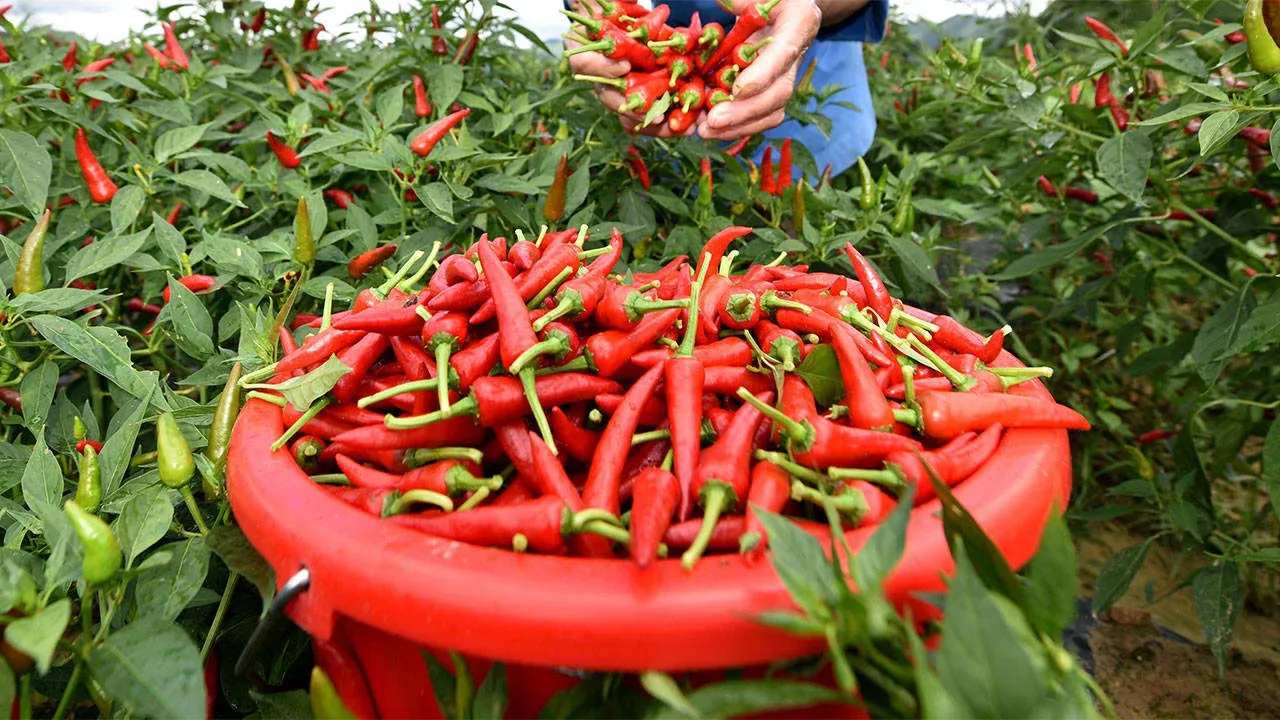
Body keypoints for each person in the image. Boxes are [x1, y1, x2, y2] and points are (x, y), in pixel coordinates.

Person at [565, 0, 889, 180]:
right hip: (665, 88)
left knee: (798, 226)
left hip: (808, 97)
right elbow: (596, 6)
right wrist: (598, 19)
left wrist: (809, 5)